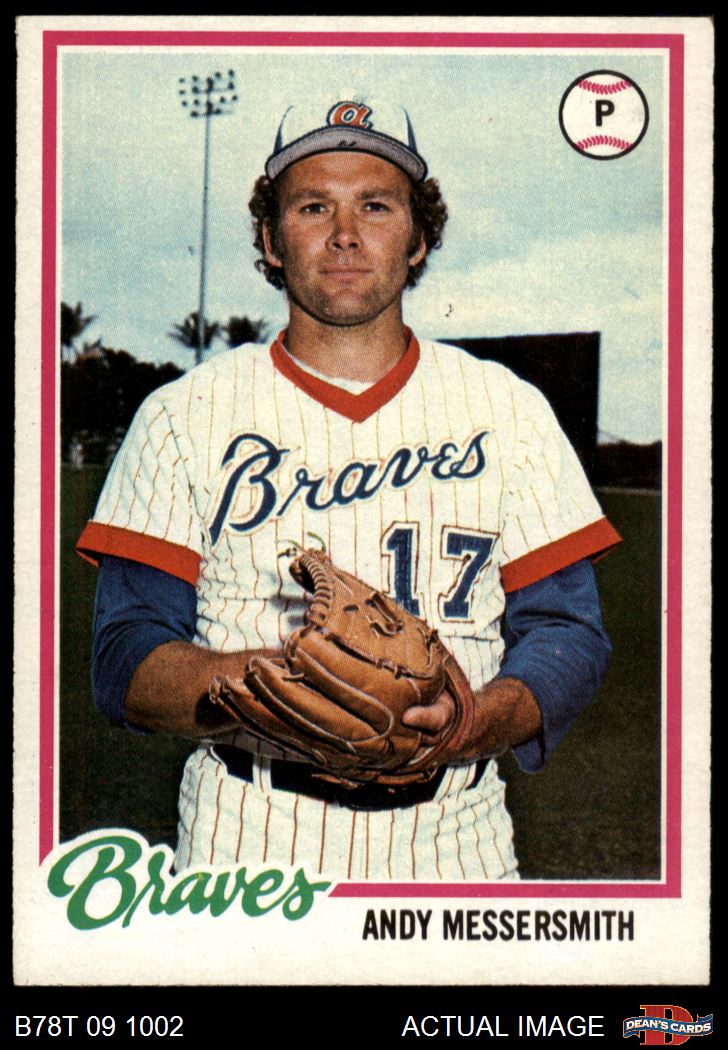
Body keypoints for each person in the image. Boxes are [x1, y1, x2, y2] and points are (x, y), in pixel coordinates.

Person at [77, 96, 621, 881]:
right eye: (312, 206)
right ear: (271, 240)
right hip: (246, 839)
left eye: (375, 205)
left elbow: (568, 631)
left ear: (419, 237)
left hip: (458, 843)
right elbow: (124, 654)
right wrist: (276, 690)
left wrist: (470, 723)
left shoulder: (509, 409)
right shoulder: (181, 415)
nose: (344, 234)